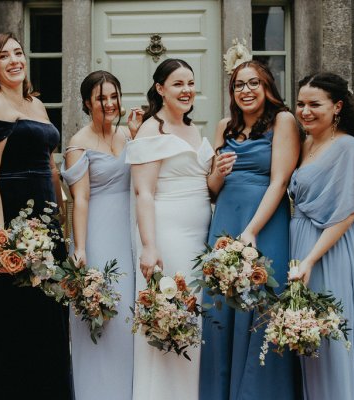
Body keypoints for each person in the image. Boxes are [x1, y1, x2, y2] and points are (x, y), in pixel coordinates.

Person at [0, 33, 72, 399]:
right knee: (11, 315)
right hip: (8, 220)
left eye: (19, 53)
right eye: (4, 56)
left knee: (46, 313)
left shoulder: (36, 105)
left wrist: (60, 216)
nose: (14, 61)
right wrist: (2, 240)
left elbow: (50, 164)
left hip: (44, 221)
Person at [199, 60, 302, 400]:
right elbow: (212, 188)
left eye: (253, 83)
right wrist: (218, 170)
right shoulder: (224, 126)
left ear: (267, 86)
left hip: (264, 222)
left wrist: (252, 231)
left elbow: (280, 181)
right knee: (221, 308)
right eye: (239, 85)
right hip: (226, 220)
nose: (246, 90)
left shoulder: (283, 121)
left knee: (260, 305)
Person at [288, 72, 354, 399]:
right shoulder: (305, 142)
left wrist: (310, 260)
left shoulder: (348, 147)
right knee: (304, 336)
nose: (305, 111)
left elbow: (346, 215)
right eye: (301, 104)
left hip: (329, 252)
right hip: (299, 242)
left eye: (315, 104)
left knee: (330, 340)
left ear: (337, 107)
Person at [126, 58, 213, 400]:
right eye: (178, 83)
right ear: (160, 89)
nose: (186, 89)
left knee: (194, 317)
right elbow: (143, 192)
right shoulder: (151, 129)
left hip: (199, 237)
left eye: (190, 82)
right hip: (167, 234)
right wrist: (150, 245)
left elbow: (205, 182)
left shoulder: (194, 129)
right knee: (169, 313)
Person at [60, 70, 142, 400]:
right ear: (86, 103)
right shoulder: (78, 144)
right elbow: (80, 199)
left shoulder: (127, 134)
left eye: (113, 96)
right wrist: (81, 248)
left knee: (127, 320)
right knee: (102, 314)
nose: (109, 104)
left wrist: (135, 137)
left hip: (129, 233)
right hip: (98, 233)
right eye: (101, 98)